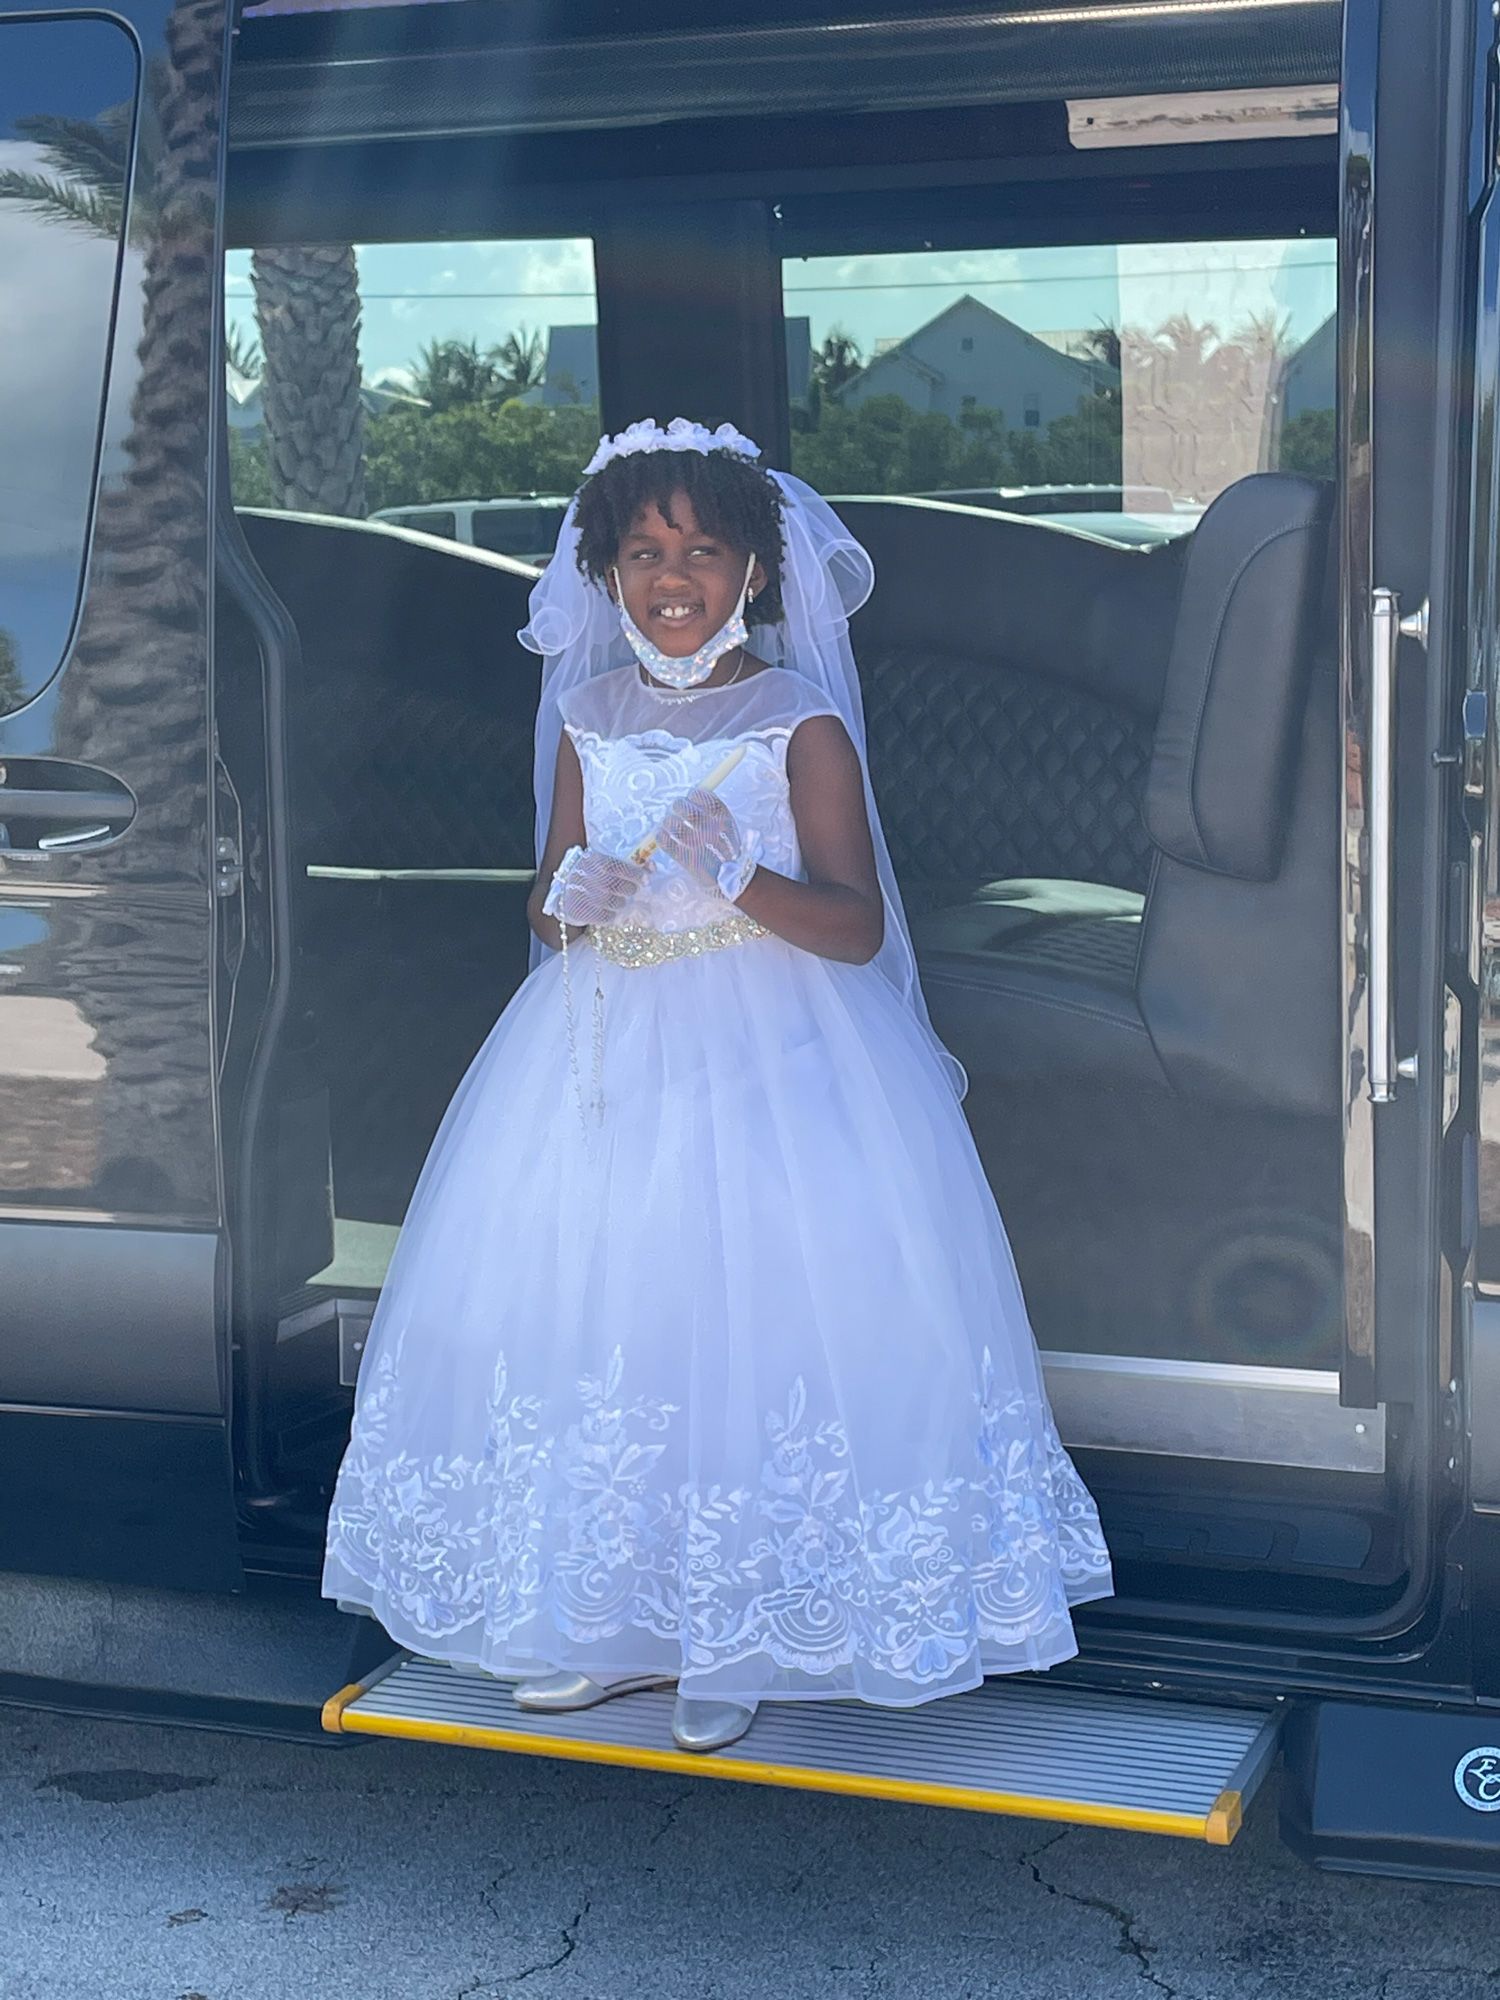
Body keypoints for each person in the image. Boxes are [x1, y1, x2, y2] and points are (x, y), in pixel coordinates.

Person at [323, 417, 1111, 1754]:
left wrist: (738, 879)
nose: (669, 573)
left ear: (753, 569)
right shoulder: (584, 715)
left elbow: (857, 926)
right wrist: (576, 894)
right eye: (641, 551)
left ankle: (731, 1637)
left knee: (752, 1332)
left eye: (699, 548)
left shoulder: (797, 722)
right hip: (599, 1055)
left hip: (778, 1058)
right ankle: (606, 1623)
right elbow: (552, 901)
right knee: (604, 1325)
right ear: (604, 573)